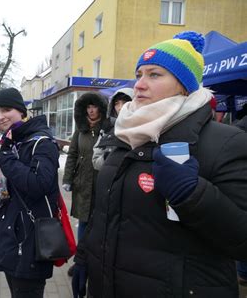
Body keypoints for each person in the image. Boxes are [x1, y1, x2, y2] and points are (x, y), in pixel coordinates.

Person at [71, 31, 247, 298]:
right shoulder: (124, 135)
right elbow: (104, 213)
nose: (139, 84)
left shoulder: (226, 142)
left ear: (185, 86)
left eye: (154, 74)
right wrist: (85, 255)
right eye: (139, 74)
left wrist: (191, 194)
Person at [0, 88, 60, 298]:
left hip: (31, 242)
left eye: (6, 110)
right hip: (9, 238)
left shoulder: (42, 143)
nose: (0, 117)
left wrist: (6, 158)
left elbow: (38, 184)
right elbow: (6, 193)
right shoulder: (11, 143)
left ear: (22, 112)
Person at [61, 91, 110, 276]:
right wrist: (67, 179)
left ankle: (96, 260)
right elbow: (72, 154)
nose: (91, 111)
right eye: (88, 107)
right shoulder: (80, 130)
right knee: (83, 222)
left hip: (100, 182)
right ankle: (81, 261)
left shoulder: (107, 129)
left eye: (94, 107)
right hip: (82, 182)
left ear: (101, 108)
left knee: (98, 223)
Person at [92, 87, 133, 170]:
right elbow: (95, 162)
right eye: (117, 103)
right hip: (111, 178)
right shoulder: (107, 130)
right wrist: (109, 156)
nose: (120, 107)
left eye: (125, 102)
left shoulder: (145, 128)